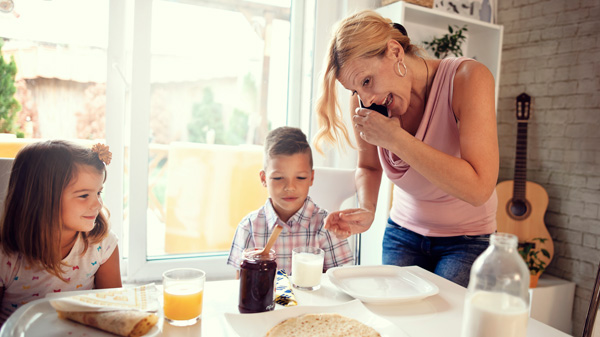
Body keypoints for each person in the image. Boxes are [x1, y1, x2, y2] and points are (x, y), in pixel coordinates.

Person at [313, 10, 498, 287]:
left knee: (442, 326)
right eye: (355, 91)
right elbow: (368, 165)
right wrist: (367, 208)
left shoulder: (468, 79)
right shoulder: (368, 102)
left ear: (395, 52)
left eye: (366, 81)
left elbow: (479, 189)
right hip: (403, 234)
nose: (366, 99)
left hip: (467, 241)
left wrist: (396, 139)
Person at [0, 140, 122, 324]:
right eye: (83, 195)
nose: (98, 204)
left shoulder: (102, 245)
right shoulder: (6, 255)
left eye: (98, 193)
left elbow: (114, 312)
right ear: (40, 198)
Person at [227, 127, 354, 275]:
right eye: (278, 178)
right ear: (264, 179)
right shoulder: (248, 227)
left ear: (311, 178)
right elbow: (242, 284)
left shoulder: (326, 226)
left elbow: (338, 280)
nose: (290, 187)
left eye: (300, 178)